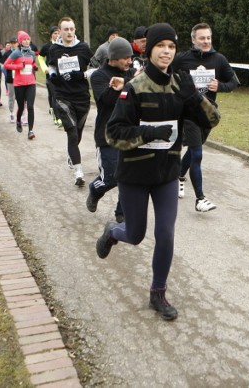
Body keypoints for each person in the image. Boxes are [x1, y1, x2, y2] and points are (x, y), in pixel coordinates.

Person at [95, 23, 221, 320]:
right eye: (161, 46)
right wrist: (150, 133)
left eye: (172, 46)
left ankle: (158, 293)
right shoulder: (134, 87)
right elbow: (114, 134)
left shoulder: (180, 85)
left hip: (165, 173)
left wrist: (195, 98)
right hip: (135, 175)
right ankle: (113, 233)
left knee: (165, 234)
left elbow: (213, 120)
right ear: (149, 50)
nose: (166, 51)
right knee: (136, 235)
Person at [171, 22, 239, 212]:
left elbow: (234, 81)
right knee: (198, 153)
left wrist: (221, 87)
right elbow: (166, 74)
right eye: (202, 38)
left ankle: (179, 175)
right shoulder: (182, 59)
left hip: (208, 114)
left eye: (208, 38)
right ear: (193, 40)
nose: (206, 41)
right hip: (189, 114)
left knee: (193, 151)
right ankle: (200, 199)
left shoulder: (219, 59)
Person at [87, 37, 136, 223]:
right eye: (126, 58)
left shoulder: (130, 73)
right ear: (114, 57)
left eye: (131, 57)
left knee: (129, 175)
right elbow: (106, 100)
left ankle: (121, 212)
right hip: (106, 135)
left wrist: (127, 81)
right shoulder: (99, 76)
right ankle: (94, 189)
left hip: (129, 132)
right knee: (112, 177)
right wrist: (121, 87)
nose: (130, 61)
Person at [47, 17, 94, 186]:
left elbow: (95, 69)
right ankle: (79, 172)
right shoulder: (54, 49)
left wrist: (81, 75)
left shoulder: (83, 48)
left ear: (75, 30)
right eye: (65, 29)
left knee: (78, 133)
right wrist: (53, 74)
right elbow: (51, 65)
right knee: (72, 132)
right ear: (59, 31)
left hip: (82, 97)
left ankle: (71, 155)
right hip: (62, 96)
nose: (69, 32)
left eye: (71, 29)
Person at [3, 30, 38, 140]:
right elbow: (6, 65)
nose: (27, 41)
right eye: (24, 40)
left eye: (28, 39)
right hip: (19, 84)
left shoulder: (32, 53)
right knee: (21, 106)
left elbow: (32, 63)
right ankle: (18, 121)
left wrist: (34, 67)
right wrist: (18, 66)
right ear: (20, 41)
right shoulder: (16, 53)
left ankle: (30, 131)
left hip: (31, 83)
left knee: (30, 107)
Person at [38, 25, 62, 127]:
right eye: (55, 33)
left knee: (62, 96)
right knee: (54, 95)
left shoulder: (63, 45)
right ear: (51, 35)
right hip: (51, 75)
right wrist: (44, 68)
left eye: (58, 33)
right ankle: (57, 118)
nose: (57, 35)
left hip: (62, 75)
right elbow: (40, 58)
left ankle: (63, 115)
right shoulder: (47, 46)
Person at [1, 37, 18, 123]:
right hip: (10, 78)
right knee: (11, 96)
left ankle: (21, 114)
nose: (13, 44)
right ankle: (11, 112)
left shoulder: (20, 53)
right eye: (12, 42)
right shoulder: (7, 53)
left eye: (15, 42)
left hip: (19, 78)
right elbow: (3, 65)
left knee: (20, 97)